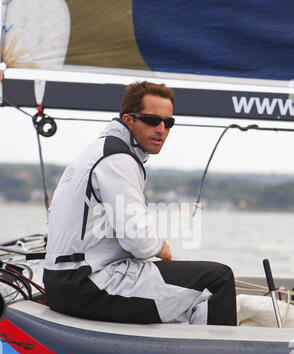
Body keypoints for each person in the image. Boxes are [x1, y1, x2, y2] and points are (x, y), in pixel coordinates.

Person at [43, 81, 237, 326]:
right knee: (217, 279)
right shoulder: (118, 160)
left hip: (63, 280)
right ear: (128, 120)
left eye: (168, 123)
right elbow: (138, 241)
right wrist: (160, 248)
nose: (161, 129)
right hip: (86, 285)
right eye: (152, 120)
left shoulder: (99, 151)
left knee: (186, 288)